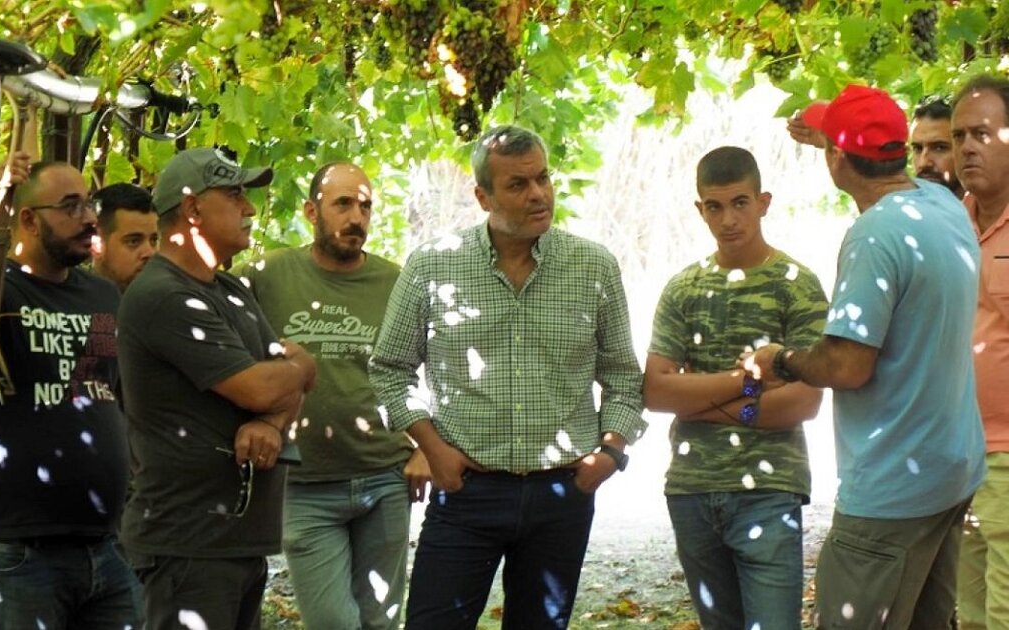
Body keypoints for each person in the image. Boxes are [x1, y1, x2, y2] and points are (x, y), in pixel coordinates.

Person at [369, 125, 646, 629]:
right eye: (518, 184)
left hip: (562, 494)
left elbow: (623, 376)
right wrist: (433, 449)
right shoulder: (433, 266)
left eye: (543, 178)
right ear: (483, 197)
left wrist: (609, 454)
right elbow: (390, 369)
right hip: (467, 491)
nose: (538, 194)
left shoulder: (593, 266)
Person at [748, 84, 986, 628]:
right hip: (950, 471)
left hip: (892, 490)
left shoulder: (874, 235)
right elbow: (870, 154)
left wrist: (781, 360)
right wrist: (833, 138)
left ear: (838, 159)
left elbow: (847, 366)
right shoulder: (942, 204)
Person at [115, 147, 317, 630]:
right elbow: (264, 386)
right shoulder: (164, 294)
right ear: (192, 208)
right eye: (234, 195)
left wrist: (273, 420)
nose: (249, 208)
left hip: (234, 543)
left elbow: (285, 386)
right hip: (189, 545)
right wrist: (301, 367)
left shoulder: (231, 291)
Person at [239, 162, 431, 629]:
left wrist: (428, 446)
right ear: (311, 211)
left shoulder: (396, 282)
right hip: (304, 485)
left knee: (380, 622)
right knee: (334, 623)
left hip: (385, 477)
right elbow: (213, 341)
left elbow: (445, 364)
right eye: (342, 204)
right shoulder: (264, 276)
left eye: (365, 207)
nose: (356, 217)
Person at [644, 146, 827, 629]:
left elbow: (804, 401)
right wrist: (747, 382)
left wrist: (701, 404)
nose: (728, 219)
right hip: (692, 488)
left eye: (740, 203)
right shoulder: (684, 288)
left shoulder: (796, 285)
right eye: (715, 206)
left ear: (763, 202)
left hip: (769, 489)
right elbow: (657, 391)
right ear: (700, 209)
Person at [0, 161, 143, 628]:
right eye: (71, 207)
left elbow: (96, 386)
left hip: (106, 546)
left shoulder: (102, 297)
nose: (89, 219)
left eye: (88, 204)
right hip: (21, 554)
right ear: (28, 219)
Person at [952, 74, 1009, 630]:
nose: (967, 147)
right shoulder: (950, 225)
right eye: (960, 136)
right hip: (959, 455)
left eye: (983, 134)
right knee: (969, 617)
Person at [788, 95, 964, 198]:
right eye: (917, 149)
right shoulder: (910, 205)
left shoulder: (975, 209)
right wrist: (834, 135)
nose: (924, 162)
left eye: (940, 148)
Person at [90, 182, 159, 291]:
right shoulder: (72, 300)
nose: (150, 253)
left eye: (153, 240)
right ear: (96, 245)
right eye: (134, 241)